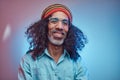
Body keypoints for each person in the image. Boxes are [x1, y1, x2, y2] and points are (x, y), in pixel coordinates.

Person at [18, 4, 88, 80]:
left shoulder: (77, 62)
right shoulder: (28, 60)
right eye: (54, 21)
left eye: (65, 23)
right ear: (44, 27)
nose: (60, 27)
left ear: (69, 30)